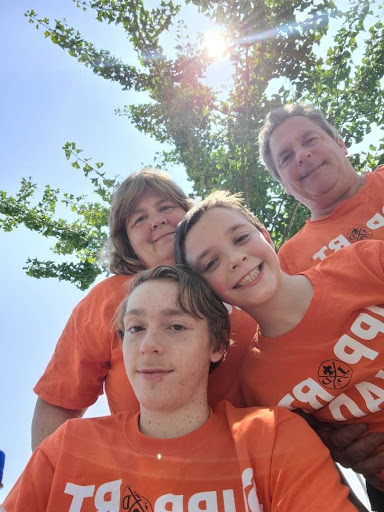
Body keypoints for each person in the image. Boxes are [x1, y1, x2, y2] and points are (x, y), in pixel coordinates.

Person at [3, 265, 357, 512]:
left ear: (217, 346)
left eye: (175, 326)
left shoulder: (272, 437)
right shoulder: (66, 448)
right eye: (136, 328)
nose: (148, 345)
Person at [174, 191, 384, 510]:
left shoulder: (363, 262)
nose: (235, 259)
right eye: (211, 262)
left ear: (266, 235)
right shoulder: (258, 387)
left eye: (241, 237)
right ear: (206, 290)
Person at [31, 169, 257, 450]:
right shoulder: (107, 300)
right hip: (148, 480)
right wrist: (58, 481)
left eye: (165, 207)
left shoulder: (239, 270)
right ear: (127, 243)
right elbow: (59, 402)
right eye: (139, 218)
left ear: (189, 212)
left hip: (258, 464)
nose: (158, 220)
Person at [258, 103, 384, 275]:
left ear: (340, 144)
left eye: (310, 140)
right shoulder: (290, 263)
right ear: (284, 185)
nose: (302, 155)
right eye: (286, 157)